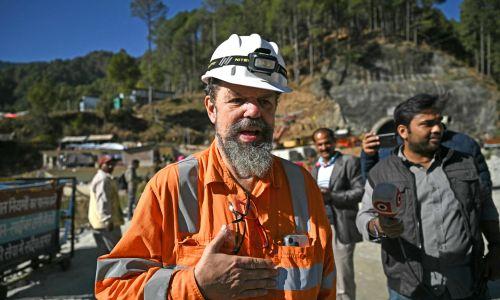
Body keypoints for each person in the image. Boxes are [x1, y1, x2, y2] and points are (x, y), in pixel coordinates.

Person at [95, 33, 335, 299]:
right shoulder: (171, 187)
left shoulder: (302, 186)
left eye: (265, 101)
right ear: (211, 108)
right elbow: (112, 288)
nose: (253, 111)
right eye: (237, 99)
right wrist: (194, 284)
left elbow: (325, 285)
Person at [356, 94, 500, 299]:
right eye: (427, 124)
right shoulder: (382, 171)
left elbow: (485, 207)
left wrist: (496, 247)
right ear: (403, 131)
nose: (437, 129)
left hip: (467, 282)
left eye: (439, 122)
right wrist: (379, 226)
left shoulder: (465, 163)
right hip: (410, 286)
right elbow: (364, 216)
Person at [311, 128, 364, 300]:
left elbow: (360, 191)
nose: (324, 147)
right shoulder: (315, 167)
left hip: (341, 226)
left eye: (327, 142)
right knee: (324, 277)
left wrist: (331, 196)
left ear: (334, 142)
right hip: (320, 229)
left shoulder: (349, 162)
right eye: (320, 144)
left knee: (343, 278)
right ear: (315, 146)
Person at [88, 155, 124, 256]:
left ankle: (106, 272)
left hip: (101, 223)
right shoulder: (103, 179)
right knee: (116, 254)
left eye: (112, 164)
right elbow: (103, 201)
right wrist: (107, 220)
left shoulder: (105, 178)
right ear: (101, 165)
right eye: (108, 164)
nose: (111, 166)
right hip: (106, 224)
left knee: (105, 255)